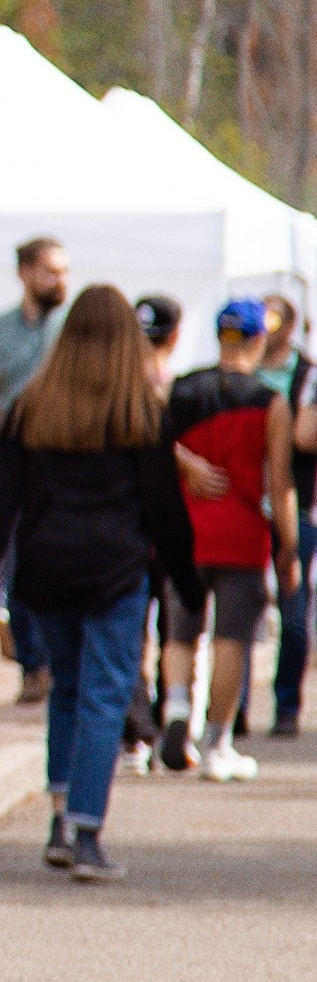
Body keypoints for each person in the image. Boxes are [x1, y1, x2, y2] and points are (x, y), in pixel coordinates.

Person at [0, 286, 201, 881]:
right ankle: (86, 832)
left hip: (44, 573)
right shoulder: (141, 412)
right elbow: (163, 509)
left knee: (68, 691)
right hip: (115, 573)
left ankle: (60, 819)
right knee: (104, 696)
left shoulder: (31, 407)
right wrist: (188, 582)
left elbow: (2, 498)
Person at [158, 298, 299, 779]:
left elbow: (154, 442)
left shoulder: (181, 390)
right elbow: (280, 484)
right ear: (259, 341)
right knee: (231, 638)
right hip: (240, 533)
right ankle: (217, 742)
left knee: (181, 632)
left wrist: (186, 464)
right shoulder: (270, 402)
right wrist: (289, 547)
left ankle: (177, 711)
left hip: (184, 531)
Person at [0, 238, 70, 705]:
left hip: (63, 462)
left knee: (55, 561)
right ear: (24, 272)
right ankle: (33, 664)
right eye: (49, 271)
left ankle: (56, 657)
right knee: (13, 565)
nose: (59, 280)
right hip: (11, 462)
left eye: (64, 271)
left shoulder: (73, 330)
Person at [118, 296, 184, 770]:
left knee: (138, 629)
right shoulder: (176, 389)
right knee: (166, 627)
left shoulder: (121, 387)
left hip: (136, 523)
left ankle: (142, 725)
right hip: (164, 520)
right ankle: (154, 720)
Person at [266, 302, 314, 740]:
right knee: (237, 610)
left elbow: (304, 438)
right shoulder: (236, 373)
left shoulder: (307, 373)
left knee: (294, 610)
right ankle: (232, 711)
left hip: (297, 505)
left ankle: (286, 705)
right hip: (247, 506)